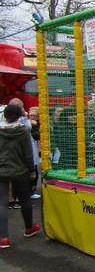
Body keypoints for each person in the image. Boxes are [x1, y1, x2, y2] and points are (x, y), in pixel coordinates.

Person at [0, 103, 42, 249]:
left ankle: (3, 238)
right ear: (19, 115)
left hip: (2, 169)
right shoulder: (23, 131)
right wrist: (31, 169)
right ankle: (29, 228)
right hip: (20, 170)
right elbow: (28, 153)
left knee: (1, 203)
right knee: (25, 200)